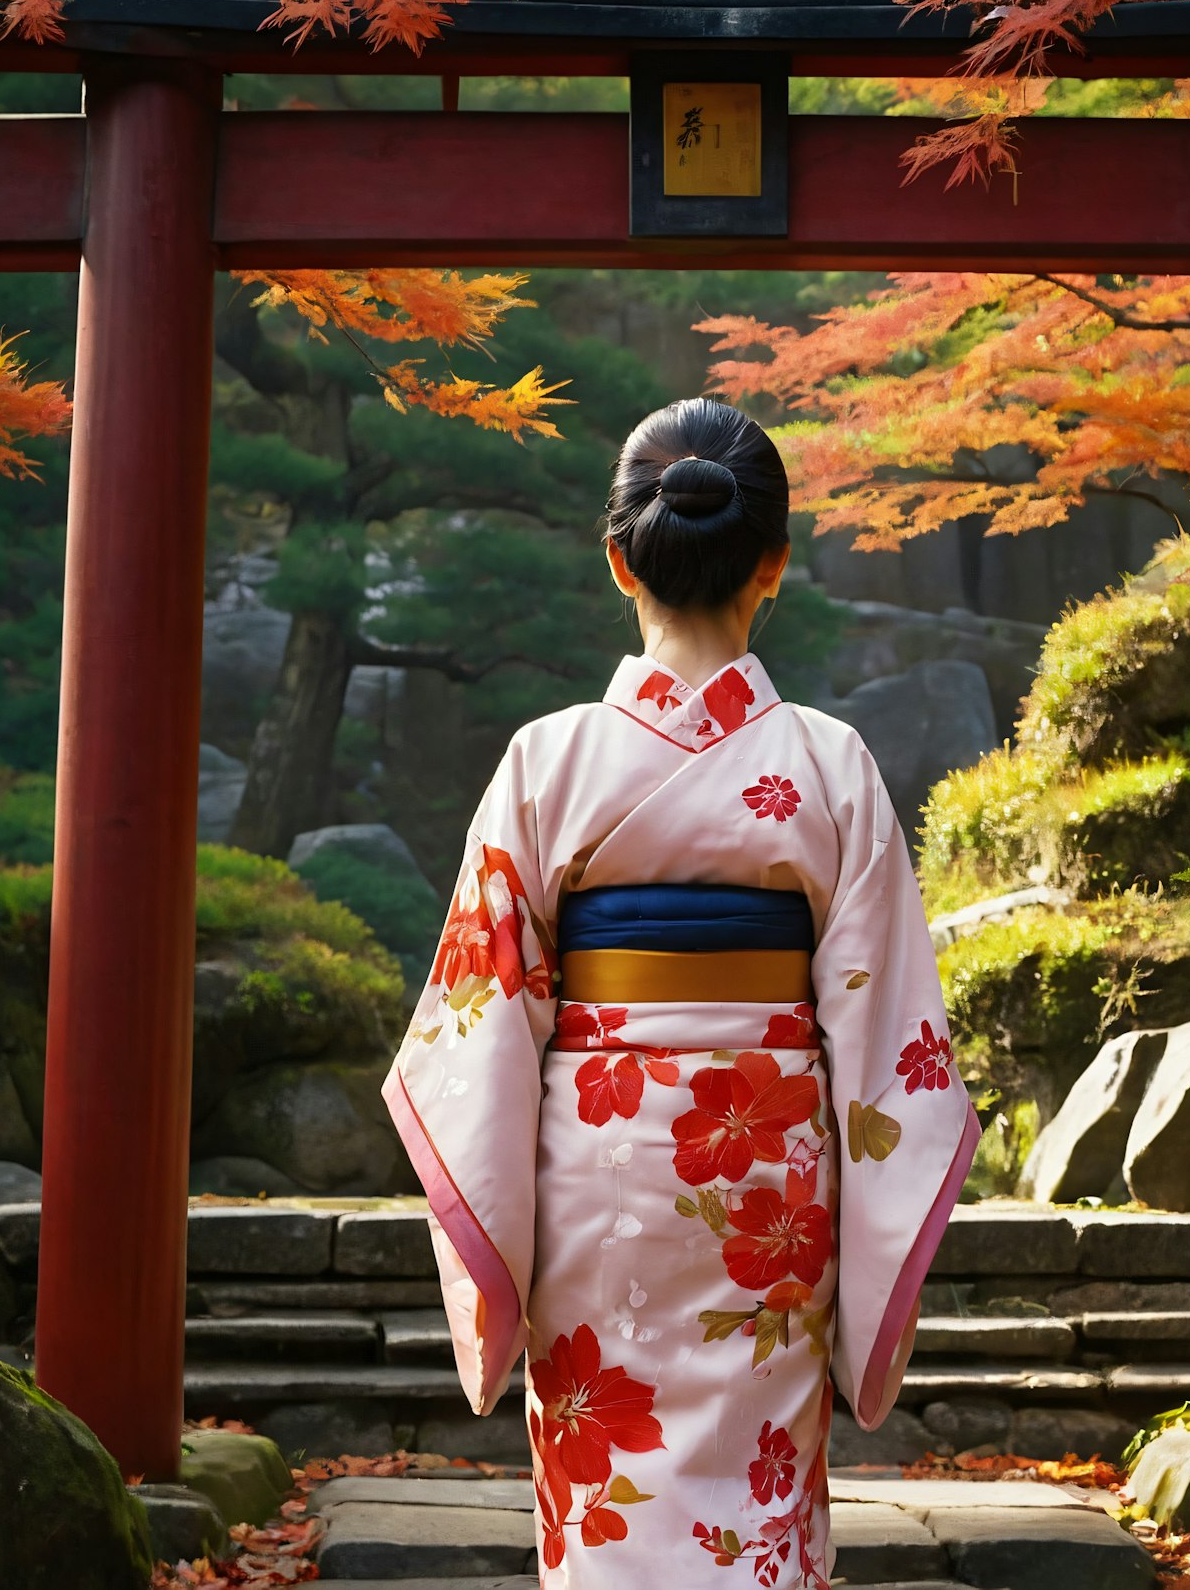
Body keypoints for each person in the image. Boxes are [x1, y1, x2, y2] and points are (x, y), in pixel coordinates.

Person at [384, 397, 978, 1588]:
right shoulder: (829, 762)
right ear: (774, 567)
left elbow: (485, 1015)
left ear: (620, 562)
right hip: (767, 1184)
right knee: (756, 1494)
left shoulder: (544, 760)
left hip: (595, 1170)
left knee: (606, 1486)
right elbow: (883, 1030)